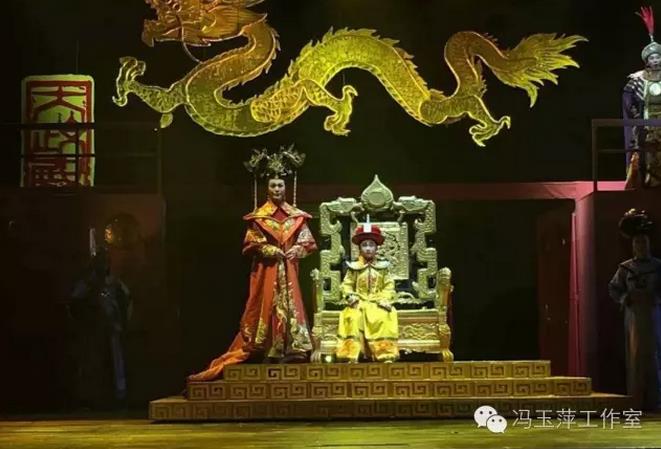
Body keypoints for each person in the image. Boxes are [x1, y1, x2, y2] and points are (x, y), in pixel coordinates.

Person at [188, 147, 316, 381]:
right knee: (267, 303)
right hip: (267, 269)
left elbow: (307, 241)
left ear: (286, 187)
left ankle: (292, 348)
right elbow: (252, 243)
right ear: (267, 188)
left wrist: (298, 249)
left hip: (289, 268)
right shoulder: (259, 218)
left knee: (291, 304)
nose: (277, 189)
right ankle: (269, 347)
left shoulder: (297, 216)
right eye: (273, 185)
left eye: (280, 185)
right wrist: (268, 249)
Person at [69, 230, 131, 407]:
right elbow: (75, 301)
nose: (103, 265)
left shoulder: (115, 284)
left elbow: (126, 300)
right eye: (100, 261)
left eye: (105, 261)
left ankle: (117, 396)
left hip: (112, 330)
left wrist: (120, 321)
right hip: (94, 332)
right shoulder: (87, 283)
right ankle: (91, 397)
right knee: (93, 364)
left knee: (115, 364)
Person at [608, 209, 661, 410]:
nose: (641, 246)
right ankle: (636, 401)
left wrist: (656, 298)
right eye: (637, 243)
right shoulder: (625, 268)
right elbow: (614, 288)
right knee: (635, 357)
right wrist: (625, 298)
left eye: (644, 243)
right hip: (633, 317)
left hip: (654, 314)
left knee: (655, 355)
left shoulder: (658, 266)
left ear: (649, 244)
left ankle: (656, 401)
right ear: (633, 246)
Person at [335, 222, 399, 363]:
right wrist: (351, 297)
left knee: (384, 316)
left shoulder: (383, 268)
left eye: (371, 245)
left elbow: (389, 285)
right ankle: (351, 354)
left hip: (378, 301)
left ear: (376, 248)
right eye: (365, 245)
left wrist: (385, 298)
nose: (368, 248)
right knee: (352, 317)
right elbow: (347, 285)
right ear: (359, 248)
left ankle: (385, 354)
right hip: (359, 301)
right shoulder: (354, 267)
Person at [623, 6, 661, 188]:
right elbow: (628, 98)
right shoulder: (639, 78)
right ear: (647, 60)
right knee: (648, 153)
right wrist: (636, 116)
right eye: (652, 58)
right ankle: (648, 182)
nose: (656, 60)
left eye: (658, 57)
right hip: (647, 124)